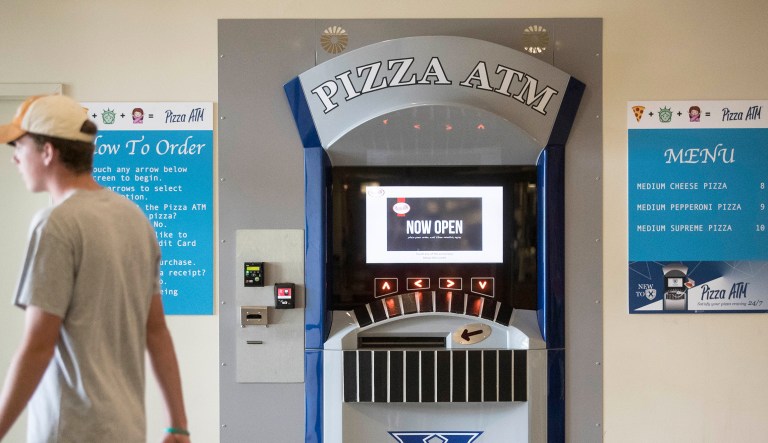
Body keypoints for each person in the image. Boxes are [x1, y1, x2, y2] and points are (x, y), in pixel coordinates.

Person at [0, 95, 190, 442]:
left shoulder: (56, 224)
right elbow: (157, 330)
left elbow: (39, 344)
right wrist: (178, 424)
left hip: (71, 430)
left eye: (20, 145)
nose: (14, 157)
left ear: (47, 152)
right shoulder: (133, 217)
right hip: (126, 429)